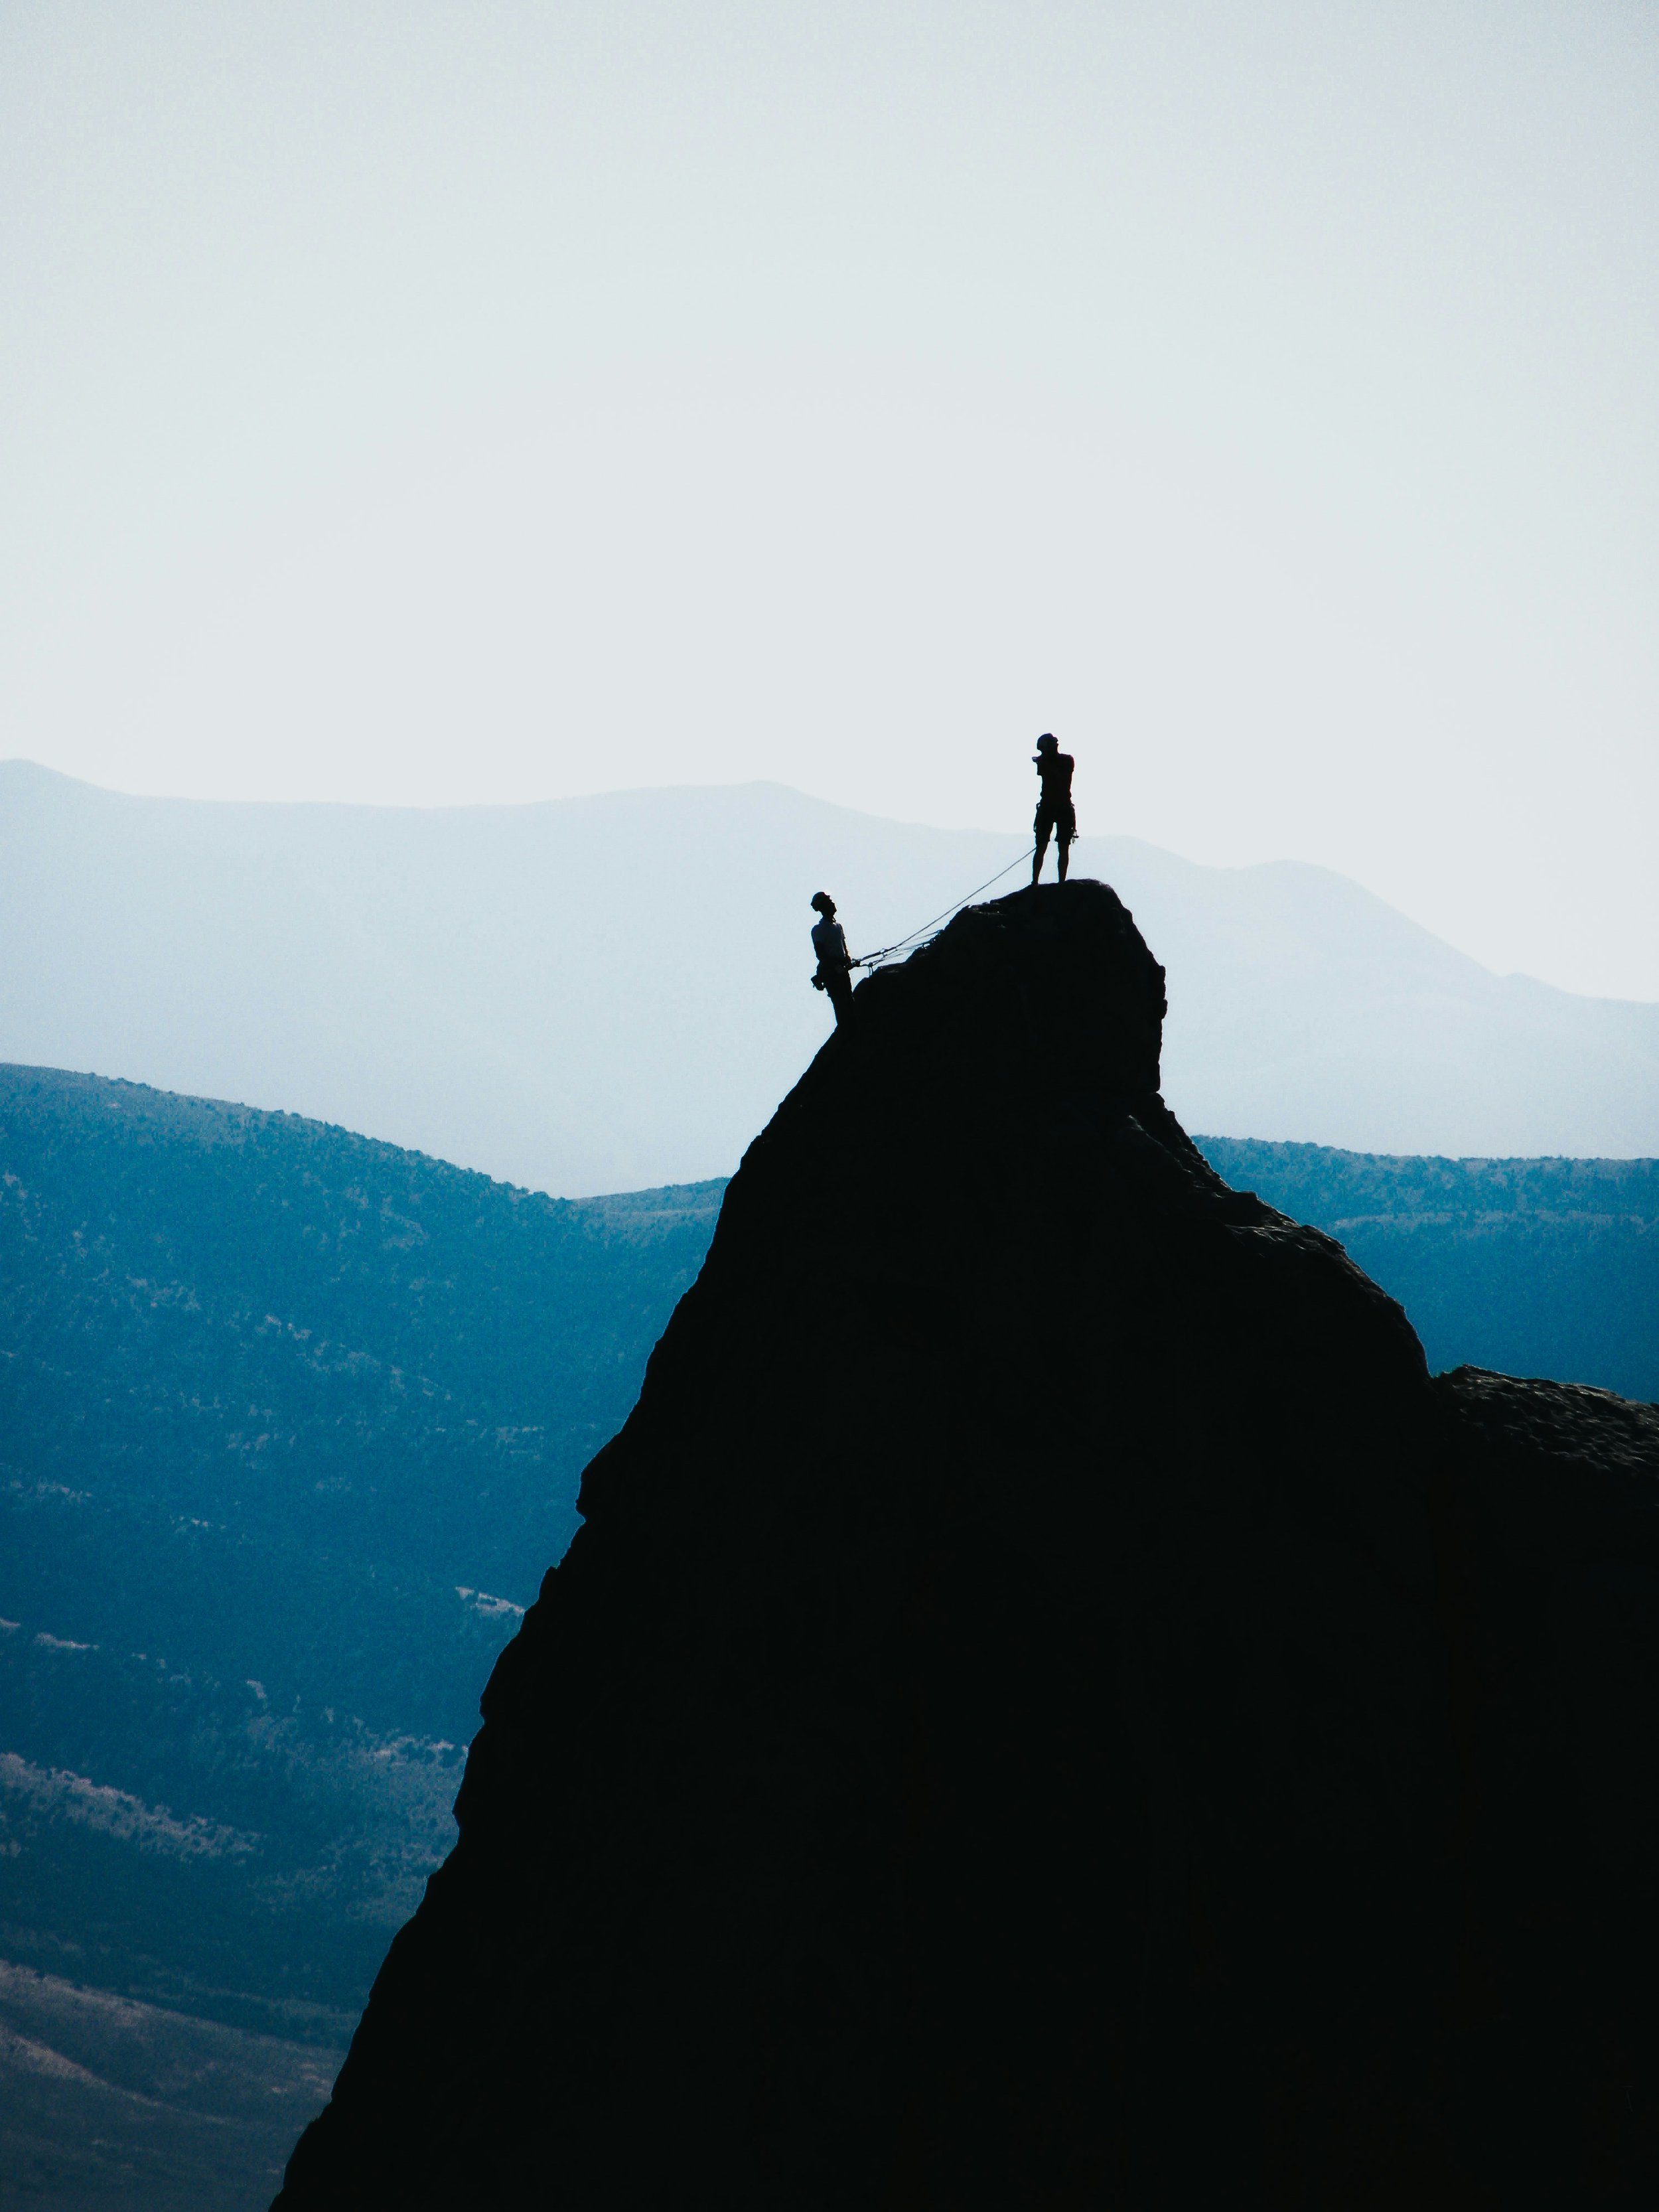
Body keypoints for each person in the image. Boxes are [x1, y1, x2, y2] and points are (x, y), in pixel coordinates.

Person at [1031, 733, 1076, 889]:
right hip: (1056, 807)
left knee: (1054, 846)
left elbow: (1056, 775)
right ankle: (1041, 882)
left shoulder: (1063, 761)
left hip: (1053, 807)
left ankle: (1039, 883)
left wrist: (1044, 760)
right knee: (1050, 846)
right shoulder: (1062, 761)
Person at [810, 892, 855, 1026]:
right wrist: (835, 966)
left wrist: (848, 960)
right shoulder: (818, 930)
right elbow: (821, 954)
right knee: (841, 1004)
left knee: (849, 1000)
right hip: (831, 971)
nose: (833, 903)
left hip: (841, 969)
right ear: (823, 907)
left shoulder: (838, 927)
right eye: (829, 902)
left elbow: (844, 949)